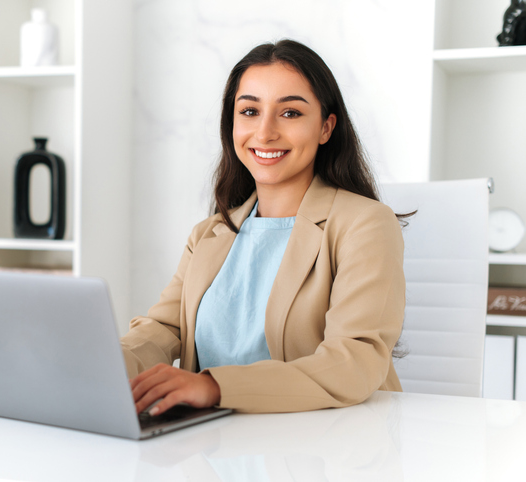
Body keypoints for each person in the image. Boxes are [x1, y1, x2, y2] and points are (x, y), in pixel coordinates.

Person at [121, 39, 406, 416]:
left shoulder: (366, 225)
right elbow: (164, 329)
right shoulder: (208, 234)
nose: (265, 132)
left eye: (289, 113)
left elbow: (354, 361)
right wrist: (104, 363)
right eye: (250, 111)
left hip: (325, 449)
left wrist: (214, 387)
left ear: (325, 127)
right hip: (213, 447)